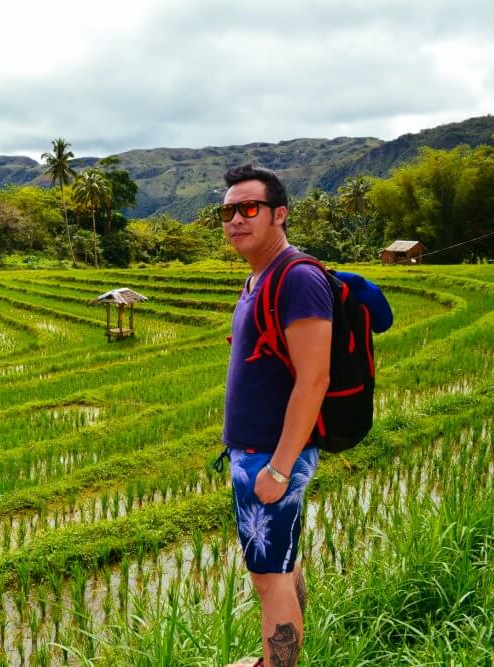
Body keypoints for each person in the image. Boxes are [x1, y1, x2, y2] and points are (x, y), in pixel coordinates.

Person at [217, 164, 333, 667]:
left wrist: (279, 469)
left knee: (268, 577)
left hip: (272, 455)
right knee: (282, 564)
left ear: (279, 214)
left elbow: (314, 380)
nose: (236, 220)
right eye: (227, 211)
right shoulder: (258, 277)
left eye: (249, 209)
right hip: (255, 451)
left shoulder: (298, 278)